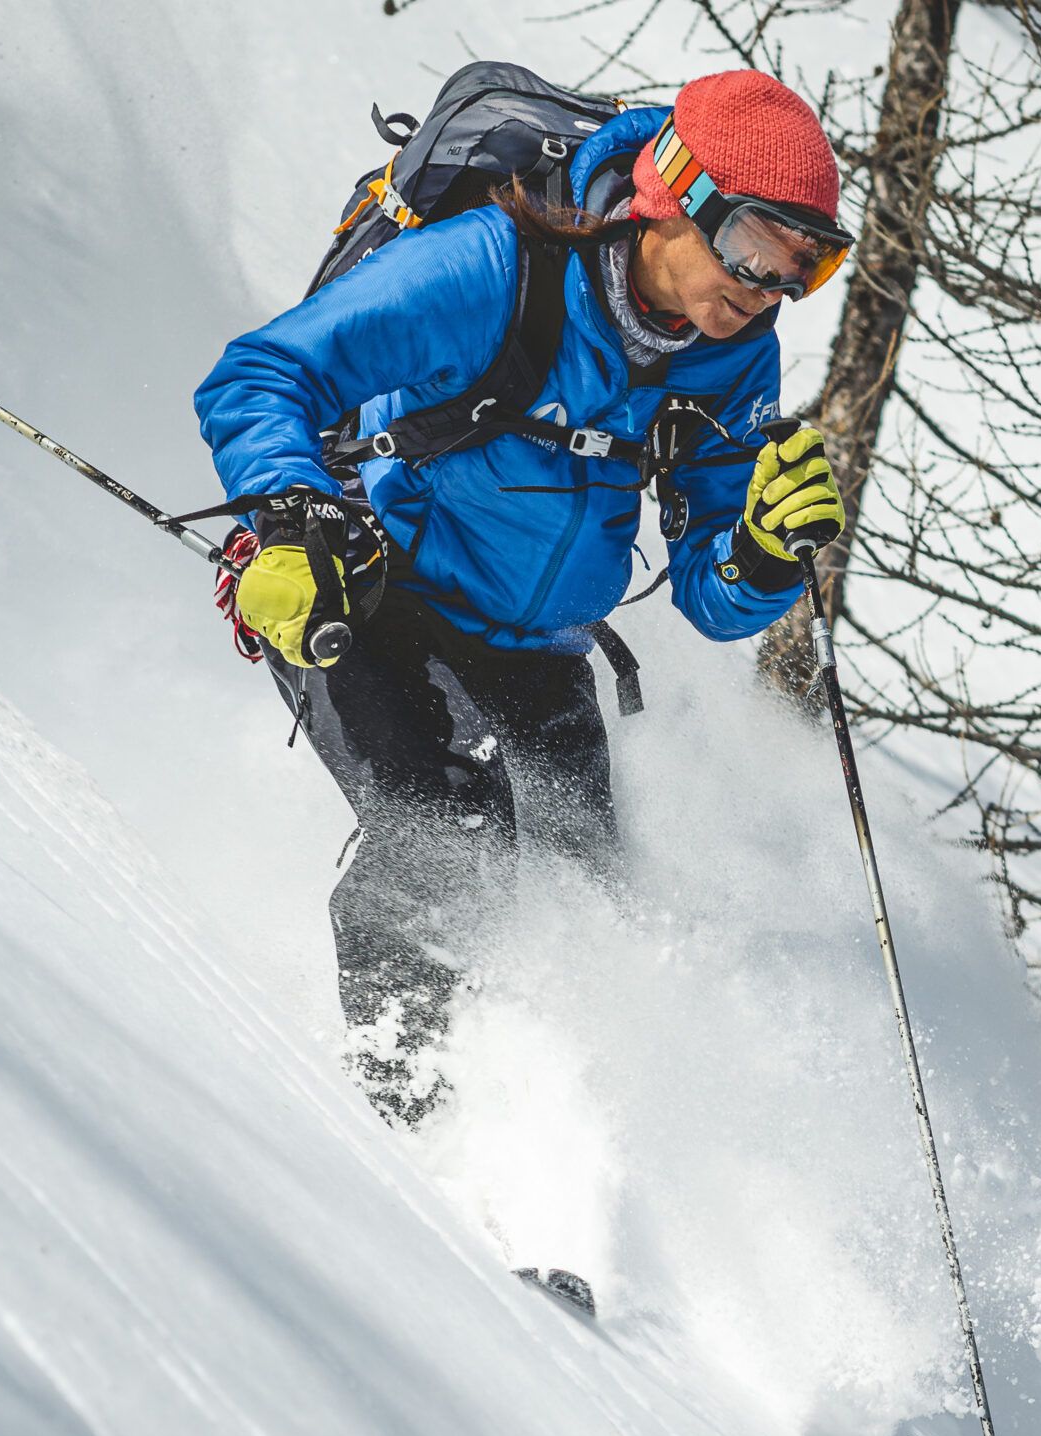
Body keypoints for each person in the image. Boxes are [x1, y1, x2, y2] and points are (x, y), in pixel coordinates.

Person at [195, 70, 852, 1124]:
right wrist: (291, 518)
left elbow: (711, 599)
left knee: (589, 915)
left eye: (802, 269)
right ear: (671, 193)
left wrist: (766, 552)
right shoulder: (493, 268)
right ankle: (392, 1146)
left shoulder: (731, 357)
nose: (764, 289)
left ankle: (542, 1162)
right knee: (444, 837)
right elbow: (261, 374)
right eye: (752, 247)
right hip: (369, 597)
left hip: (536, 652)